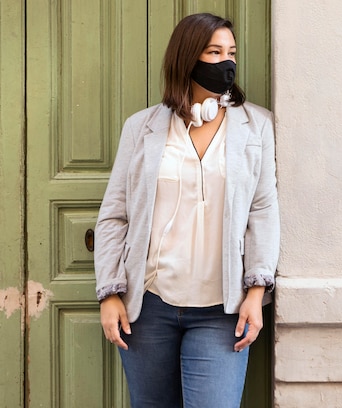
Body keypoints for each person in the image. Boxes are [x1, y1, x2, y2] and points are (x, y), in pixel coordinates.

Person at [94, 12, 279, 408]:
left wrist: (256, 289)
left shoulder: (257, 127)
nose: (226, 63)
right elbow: (115, 215)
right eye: (214, 52)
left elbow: (262, 211)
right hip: (149, 308)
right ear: (188, 58)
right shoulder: (141, 128)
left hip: (221, 310)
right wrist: (109, 293)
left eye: (231, 52)